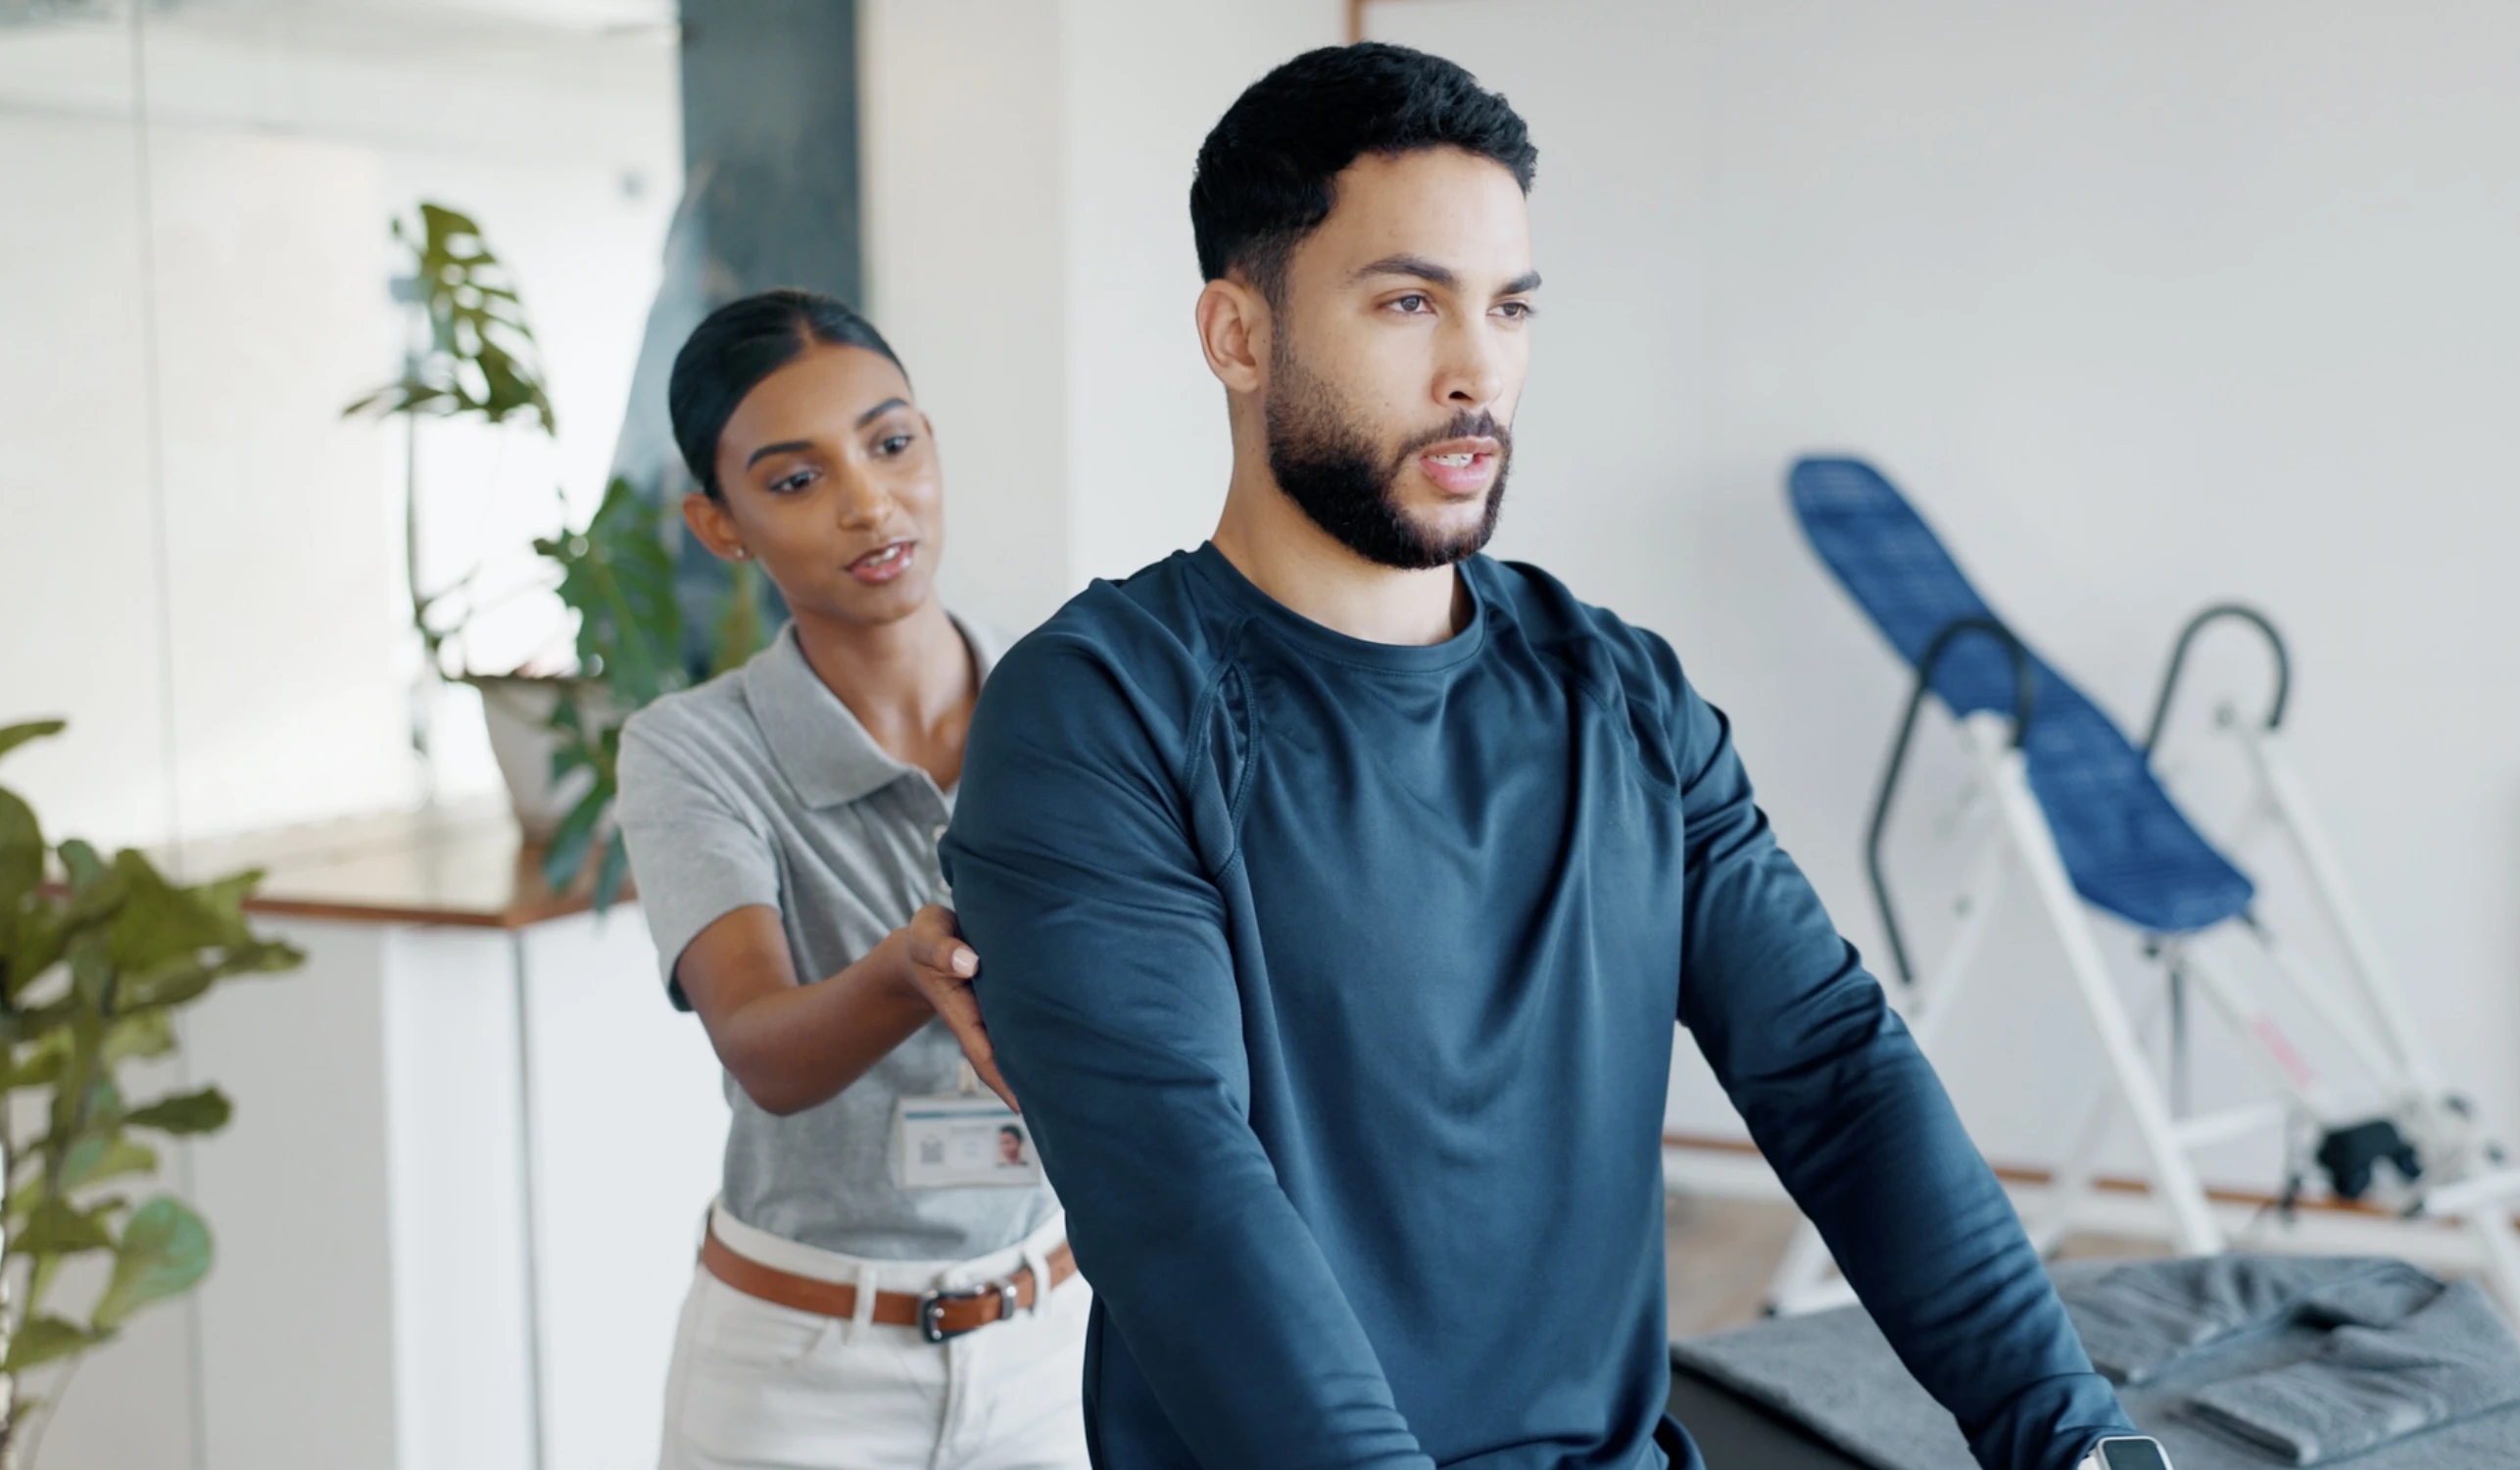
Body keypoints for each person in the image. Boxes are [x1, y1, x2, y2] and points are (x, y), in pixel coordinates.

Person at [936, 43, 2148, 1470]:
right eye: (1407, 303)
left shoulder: (1621, 696)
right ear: (1238, 335)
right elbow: (1184, 1195)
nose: (1476, 371)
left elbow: (1834, 1073)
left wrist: (2076, 1439)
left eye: (1507, 308)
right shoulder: (1100, 712)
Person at [614, 289, 1084, 1470]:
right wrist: (902, 968)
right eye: (793, 479)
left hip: (1053, 1346)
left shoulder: (1078, 699)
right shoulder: (690, 746)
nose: (869, 503)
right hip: (798, 1375)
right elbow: (764, 1051)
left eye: (890, 443)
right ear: (720, 526)